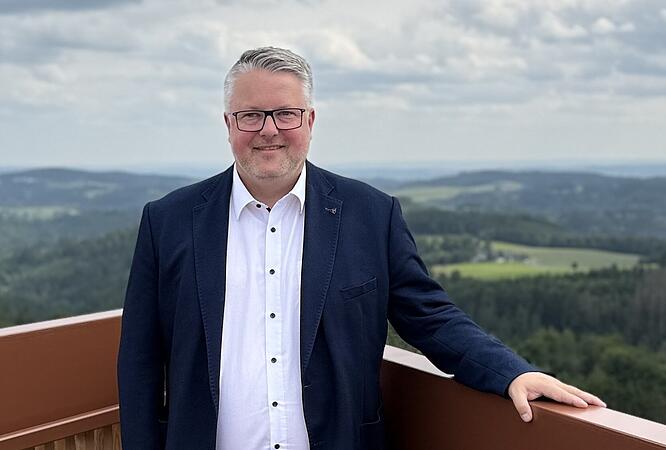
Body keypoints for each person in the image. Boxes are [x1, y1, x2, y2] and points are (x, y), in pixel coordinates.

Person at [117, 46, 605, 450]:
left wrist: (511, 373)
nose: (268, 129)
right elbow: (139, 360)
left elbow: (430, 315)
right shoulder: (169, 221)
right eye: (250, 115)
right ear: (228, 123)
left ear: (309, 120)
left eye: (285, 113)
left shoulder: (372, 214)